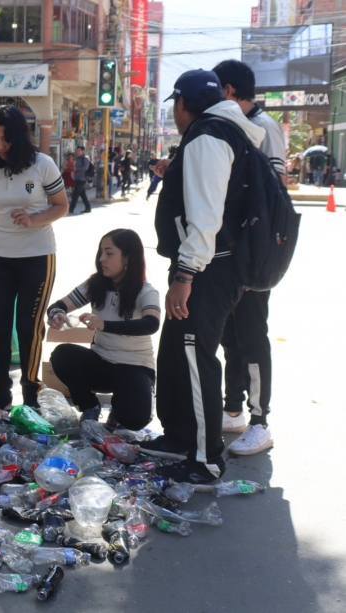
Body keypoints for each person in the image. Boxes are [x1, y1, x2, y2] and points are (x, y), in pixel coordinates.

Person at [147, 69, 266, 483]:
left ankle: (206, 458)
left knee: (197, 359)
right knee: (178, 353)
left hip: (208, 267)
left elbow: (206, 217)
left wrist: (185, 275)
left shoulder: (207, 136)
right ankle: (181, 437)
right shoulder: (224, 131)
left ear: (182, 104)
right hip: (209, 264)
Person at [0, 105, 69, 410]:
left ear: (19, 137)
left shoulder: (42, 164)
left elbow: (61, 205)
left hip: (37, 256)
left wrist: (34, 219)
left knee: (29, 326)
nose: (0, 146)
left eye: (5, 140)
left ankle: (31, 395)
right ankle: (0, 397)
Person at [212, 59, 288, 455]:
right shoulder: (234, 127)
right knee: (232, 335)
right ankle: (233, 408)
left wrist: (257, 260)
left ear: (227, 91)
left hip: (254, 256)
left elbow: (273, 198)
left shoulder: (265, 128)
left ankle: (261, 421)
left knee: (252, 335)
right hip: (232, 252)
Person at [48, 229, 161, 430]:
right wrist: (56, 314)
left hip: (134, 365)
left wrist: (104, 325)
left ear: (128, 257)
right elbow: (59, 305)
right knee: (62, 354)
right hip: (101, 361)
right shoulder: (95, 284)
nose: (101, 259)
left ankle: (119, 409)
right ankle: (89, 406)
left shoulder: (146, 291)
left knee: (135, 420)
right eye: (101, 252)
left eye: (109, 254)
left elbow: (151, 324)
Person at [68, 145, 91, 214]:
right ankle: (88, 207)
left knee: (75, 194)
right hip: (77, 178)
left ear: (83, 151)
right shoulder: (78, 158)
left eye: (79, 151)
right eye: (77, 150)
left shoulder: (86, 158)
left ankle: (71, 209)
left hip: (82, 179)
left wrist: (77, 169)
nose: (77, 152)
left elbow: (85, 168)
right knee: (82, 194)